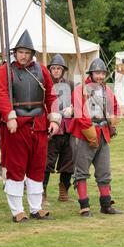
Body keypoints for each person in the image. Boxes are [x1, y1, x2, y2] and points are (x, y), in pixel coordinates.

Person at [0, 30, 61, 223]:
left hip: (39, 124)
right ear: (15, 53)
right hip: (17, 126)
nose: (23, 55)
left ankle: (36, 208)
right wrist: (9, 116)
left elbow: (51, 95)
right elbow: (0, 94)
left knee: (37, 167)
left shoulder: (41, 70)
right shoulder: (5, 71)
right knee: (16, 167)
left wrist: (55, 119)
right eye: (20, 52)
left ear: (32, 54)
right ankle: (17, 210)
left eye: (27, 52)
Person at [69, 58, 122, 217]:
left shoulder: (107, 90)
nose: (100, 76)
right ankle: (84, 206)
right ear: (91, 74)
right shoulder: (80, 90)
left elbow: (115, 108)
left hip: (103, 133)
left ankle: (106, 205)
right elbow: (79, 113)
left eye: (102, 73)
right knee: (82, 172)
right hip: (85, 134)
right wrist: (89, 130)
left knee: (104, 171)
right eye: (97, 73)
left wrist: (113, 119)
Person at [43, 54, 75, 205]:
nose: (56, 71)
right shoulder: (44, 84)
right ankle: (42, 194)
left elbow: (77, 102)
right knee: (47, 163)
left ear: (63, 70)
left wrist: (74, 109)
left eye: (58, 68)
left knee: (68, 162)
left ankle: (64, 193)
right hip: (51, 129)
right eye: (53, 68)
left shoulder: (71, 84)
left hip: (68, 129)